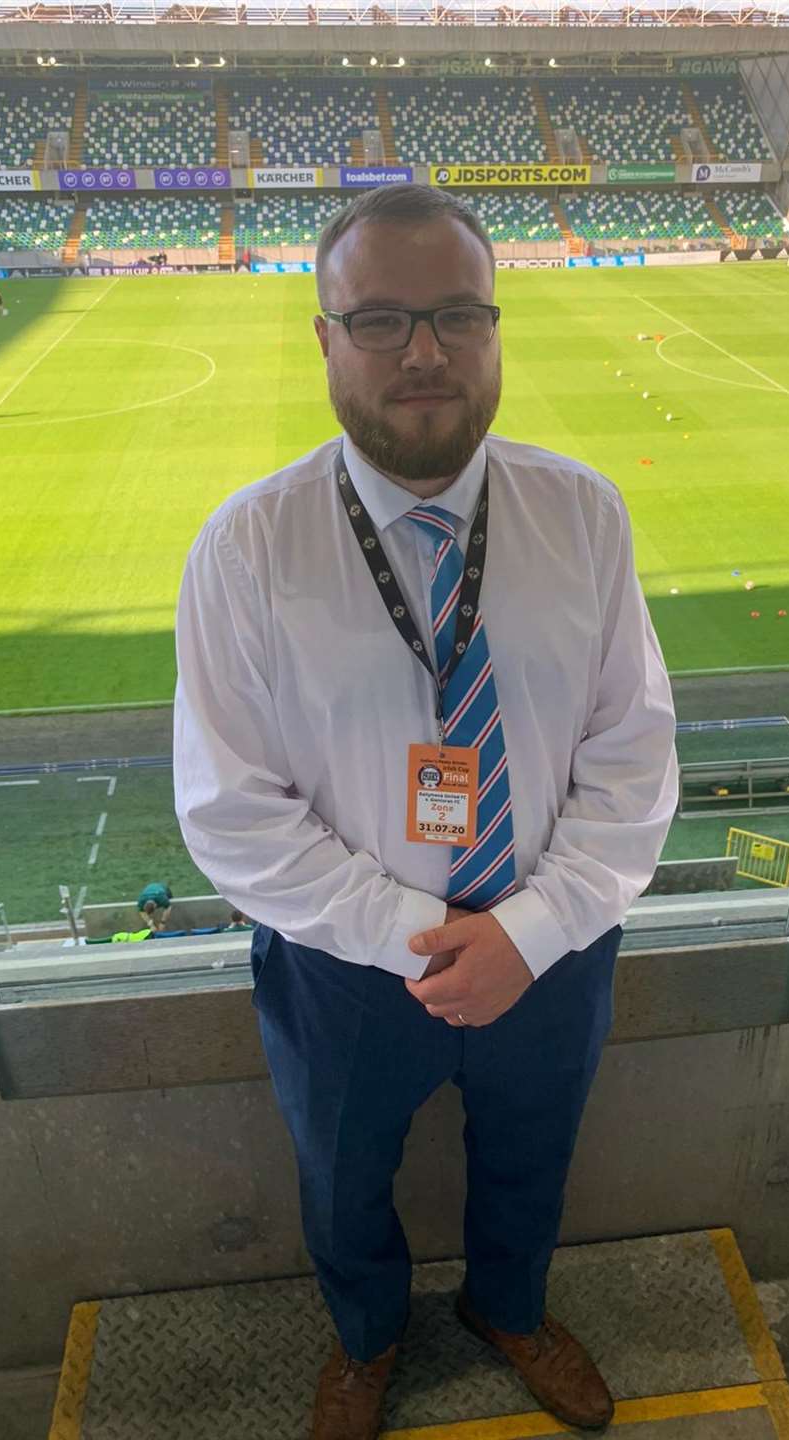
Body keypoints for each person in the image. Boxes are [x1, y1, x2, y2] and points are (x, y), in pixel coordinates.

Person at [173, 182, 678, 1440]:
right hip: (346, 968)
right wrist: (418, 932)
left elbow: (635, 757)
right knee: (343, 1181)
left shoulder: (584, 515)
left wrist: (533, 928)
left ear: (497, 330)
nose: (426, 353)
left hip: (550, 944)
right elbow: (233, 811)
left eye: (457, 315)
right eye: (383, 320)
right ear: (326, 339)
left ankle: (509, 1307)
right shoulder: (248, 550)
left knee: (532, 1157)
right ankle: (369, 1337)